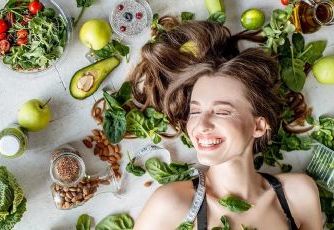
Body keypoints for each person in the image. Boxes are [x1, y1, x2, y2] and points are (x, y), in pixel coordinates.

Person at [130, 19, 322, 230]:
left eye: (222, 111)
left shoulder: (299, 194)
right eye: (195, 111)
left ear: (258, 126)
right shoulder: (171, 204)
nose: (202, 124)